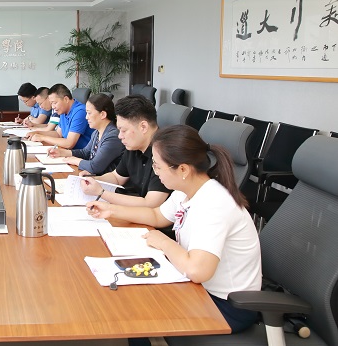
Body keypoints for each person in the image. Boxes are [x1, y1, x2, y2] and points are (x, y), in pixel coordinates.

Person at [87, 125, 261, 343]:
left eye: (158, 166)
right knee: (132, 293)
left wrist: (163, 242)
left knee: (136, 307)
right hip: (200, 288)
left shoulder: (214, 204)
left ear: (183, 170)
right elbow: (157, 215)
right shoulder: (186, 191)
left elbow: (197, 271)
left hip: (226, 305)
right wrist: (111, 210)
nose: (155, 172)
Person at [80, 94, 171, 207]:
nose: (120, 136)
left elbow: (150, 204)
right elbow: (117, 177)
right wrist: (93, 179)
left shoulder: (165, 153)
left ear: (143, 127)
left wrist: (101, 192)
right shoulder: (134, 145)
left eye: (123, 130)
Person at [48, 93, 124, 175]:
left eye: (89, 113)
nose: (86, 117)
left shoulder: (113, 136)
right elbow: (85, 153)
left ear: (103, 114)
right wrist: (62, 152)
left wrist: (75, 160)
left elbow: (95, 167)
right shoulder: (97, 132)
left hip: (104, 180)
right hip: (93, 177)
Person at [25, 83, 93, 149]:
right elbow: (58, 134)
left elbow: (69, 143)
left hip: (81, 154)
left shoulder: (80, 111)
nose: (53, 107)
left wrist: (42, 137)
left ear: (66, 99)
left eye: (54, 103)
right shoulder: (63, 111)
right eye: (51, 103)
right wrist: (36, 133)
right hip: (67, 151)